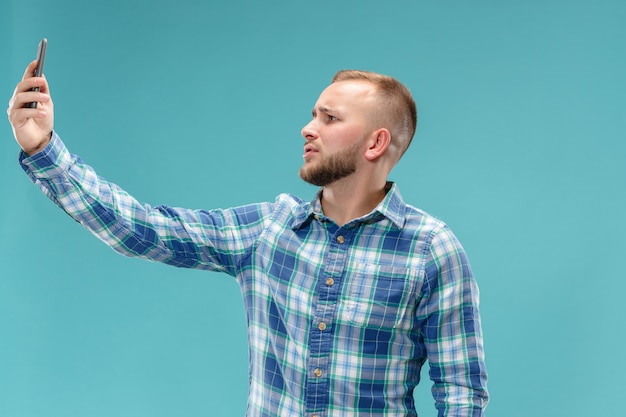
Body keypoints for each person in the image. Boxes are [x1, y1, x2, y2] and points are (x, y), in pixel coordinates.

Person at [8, 61, 489, 416]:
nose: (308, 128)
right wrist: (44, 149)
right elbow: (142, 229)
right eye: (313, 115)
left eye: (329, 118)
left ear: (376, 143)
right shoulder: (267, 231)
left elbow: (461, 394)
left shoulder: (431, 251)